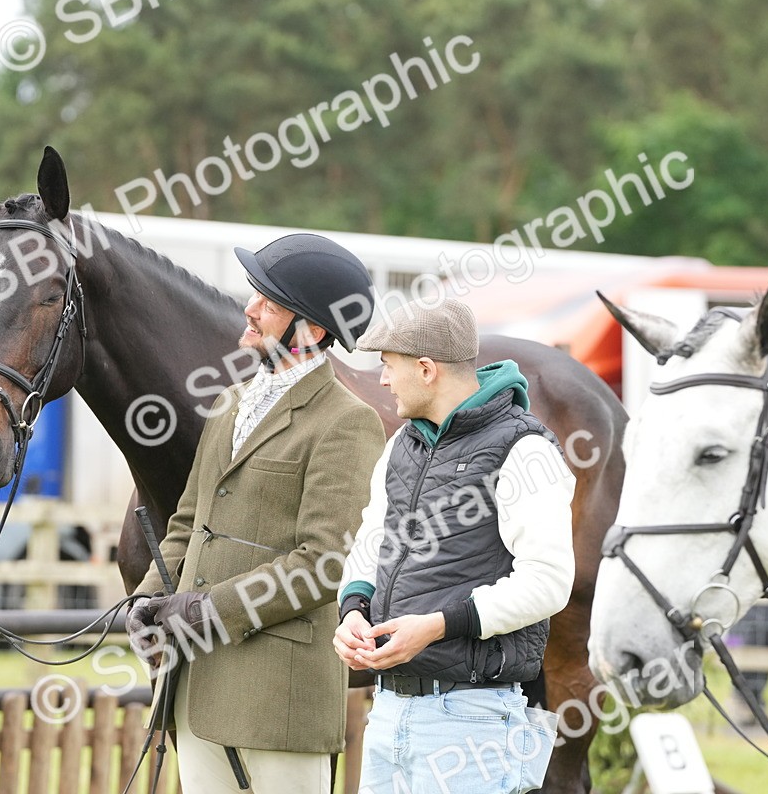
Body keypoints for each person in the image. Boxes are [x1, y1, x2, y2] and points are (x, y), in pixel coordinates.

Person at [126, 234, 387, 793]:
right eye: (256, 294)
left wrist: (208, 610)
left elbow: (326, 563)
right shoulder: (229, 403)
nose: (250, 308)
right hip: (195, 689)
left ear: (311, 330)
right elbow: (187, 522)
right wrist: (147, 599)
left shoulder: (347, 421)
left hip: (277, 703)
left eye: (270, 302)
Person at [334, 298, 575, 794]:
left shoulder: (526, 449)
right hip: (389, 710)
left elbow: (549, 582)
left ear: (426, 370)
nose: (383, 380)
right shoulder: (402, 445)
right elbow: (371, 541)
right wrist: (352, 609)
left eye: (388, 365)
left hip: (472, 721)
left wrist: (437, 626)